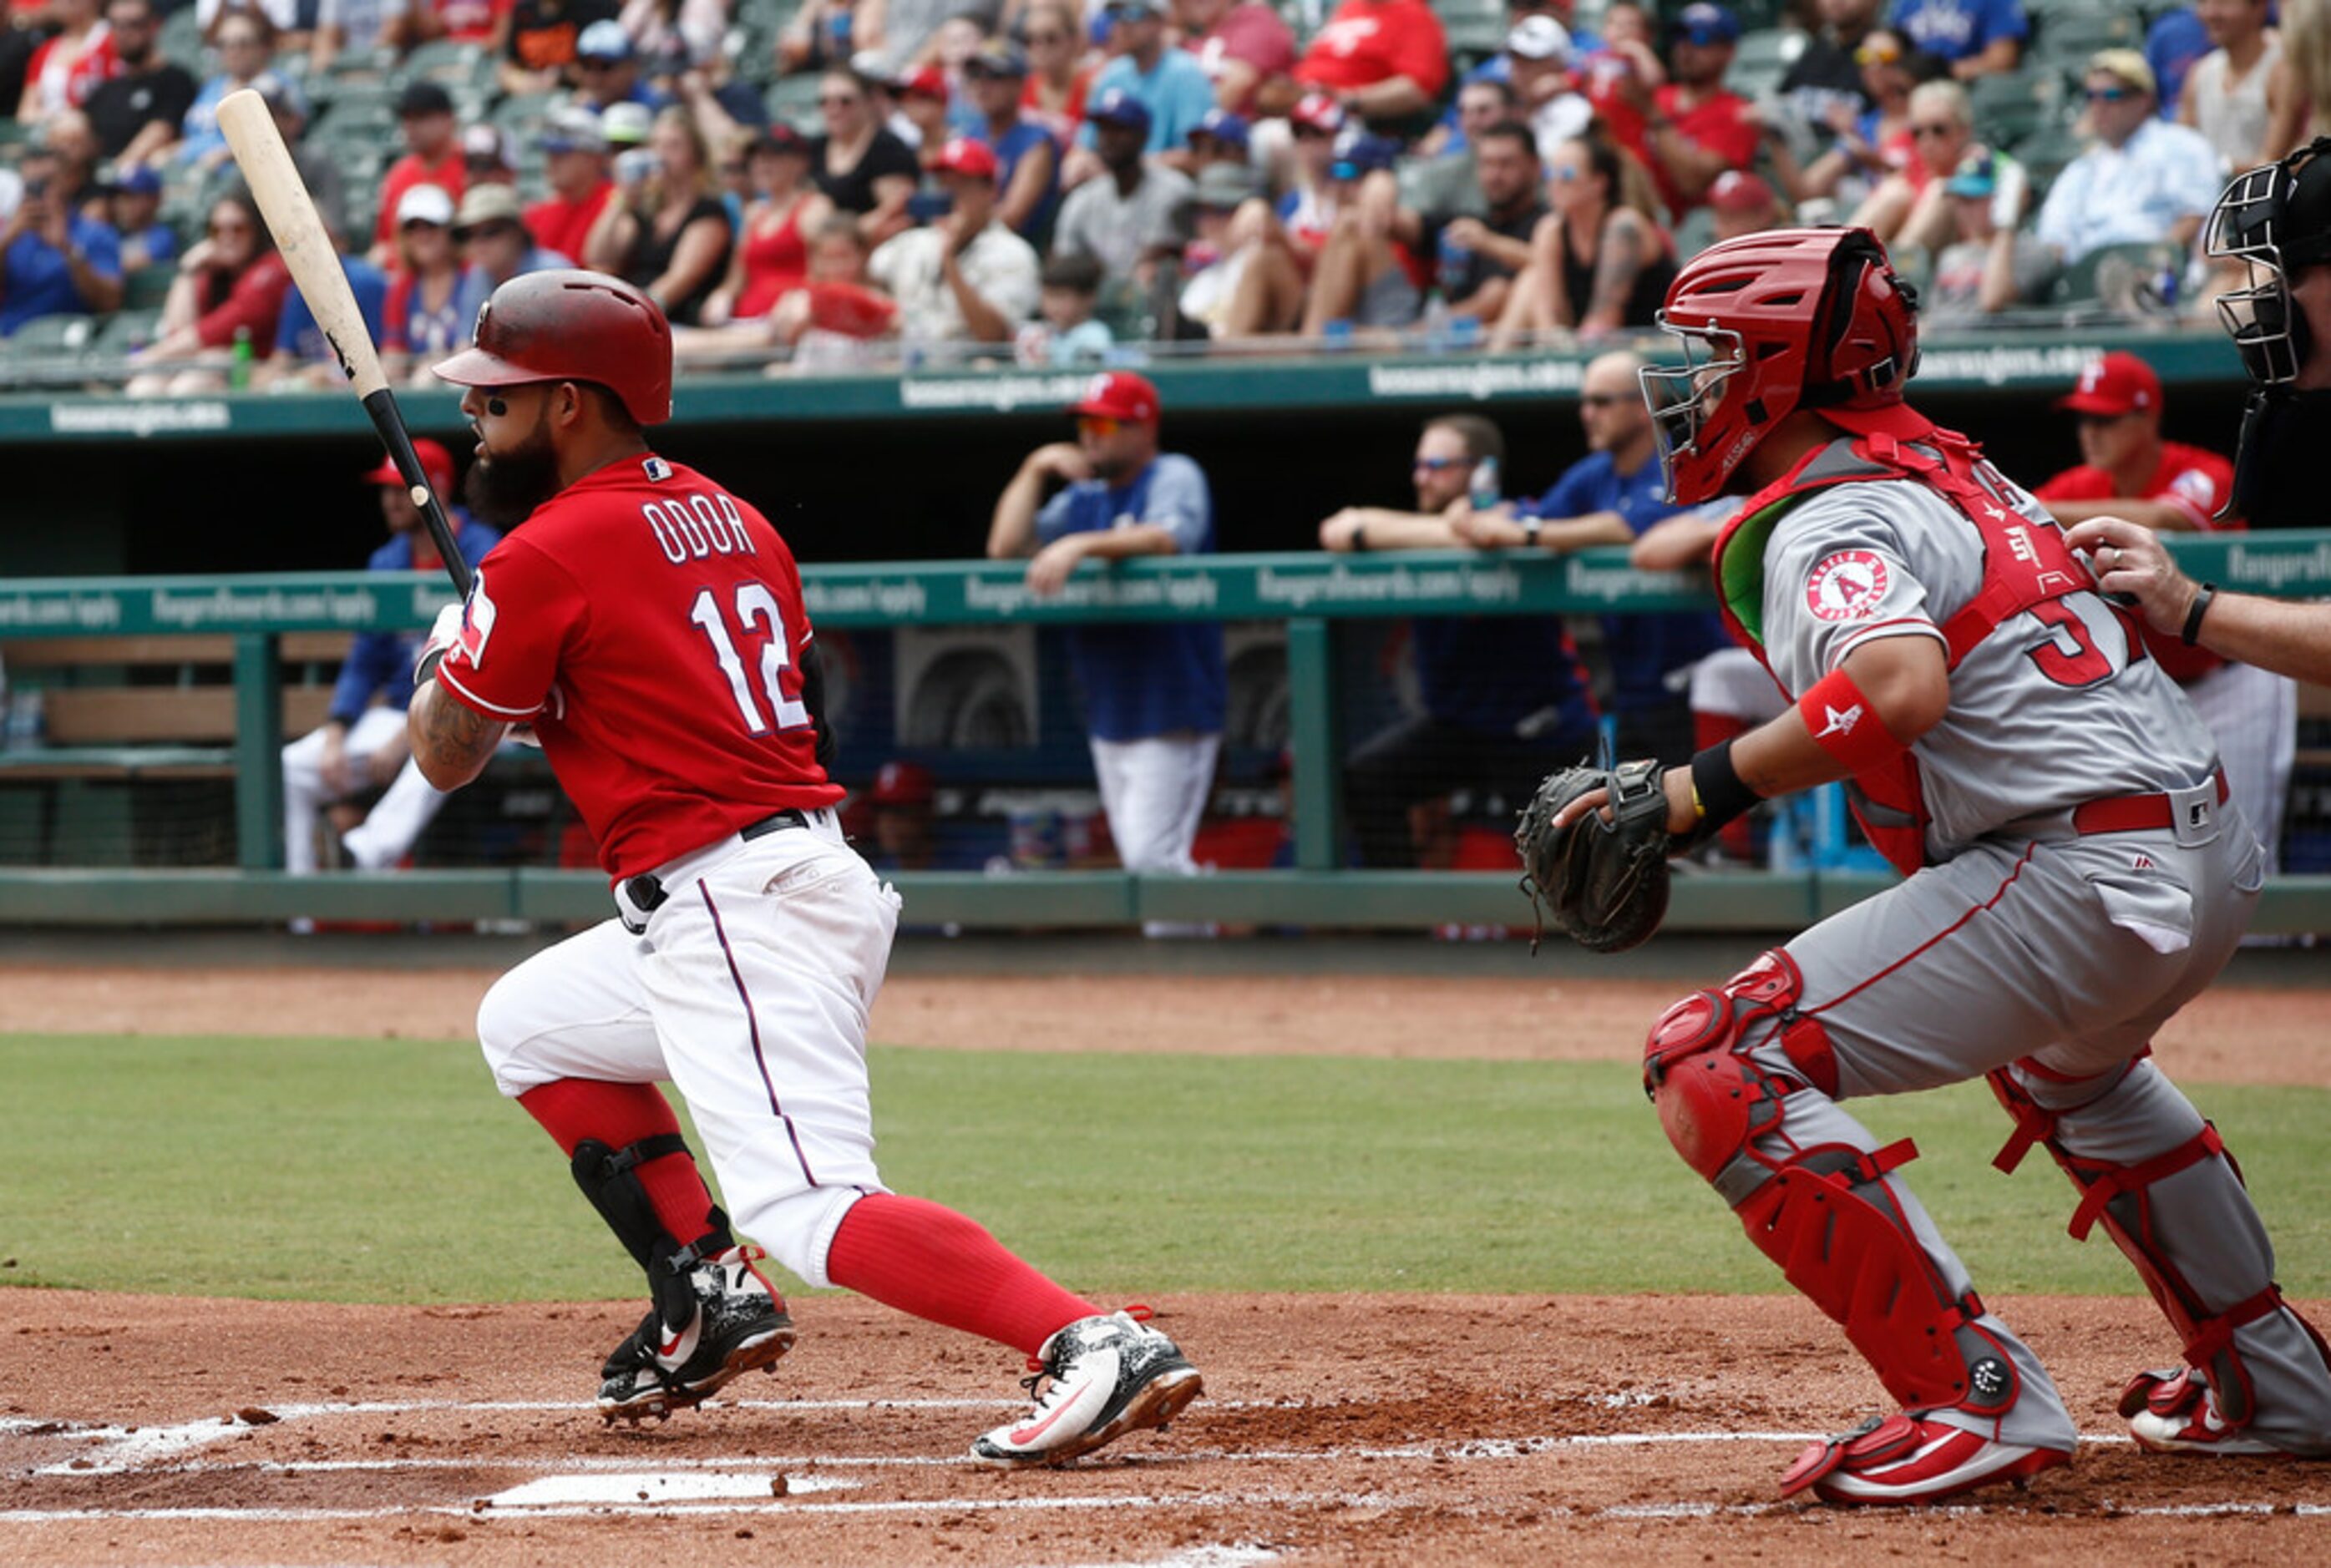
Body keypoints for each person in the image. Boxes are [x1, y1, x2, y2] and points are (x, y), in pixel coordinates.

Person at [1557, 224, 2331, 1503]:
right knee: (2070, 1072)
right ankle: (2274, 1379)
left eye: (1707, 358)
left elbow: (1895, 685)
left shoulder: (1829, 511)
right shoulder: (1958, 469)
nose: (1686, 386)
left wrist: (1696, 790)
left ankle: (1970, 1402)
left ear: (1771, 367)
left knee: (1711, 1054)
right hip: (2194, 850)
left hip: (2077, 866)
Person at [408, 269, 1202, 1459]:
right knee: (530, 1023)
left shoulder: (542, 550)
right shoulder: (735, 516)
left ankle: (1089, 1338)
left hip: (732, 898)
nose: (477, 421)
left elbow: (444, 754)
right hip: (770, 878)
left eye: (497, 400)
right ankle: (711, 1289)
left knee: (808, 1202)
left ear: (570, 402)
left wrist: (447, 642)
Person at [2035, 352, 2295, 870]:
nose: (2091, 432)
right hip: (2141, 696)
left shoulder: (2202, 470)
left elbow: (2166, 519)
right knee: (2147, 860)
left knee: (2244, 854)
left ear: (2147, 418)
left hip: (2226, 684)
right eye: (2085, 418)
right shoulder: (2078, 487)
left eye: (2106, 419)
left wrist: (2037, 508)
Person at [986, 371, 1228, 907]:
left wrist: (1079, 547)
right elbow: (1005, 546)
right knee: (1148, 865)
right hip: (1111, 708)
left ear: (1143, 429)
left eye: (1105, 423)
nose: (1090, 435)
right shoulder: (1084, 499)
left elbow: (1169, 537)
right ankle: (1192, 967)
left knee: (1151, 862)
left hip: (1174, 705)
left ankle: (1212, 958)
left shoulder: (1173, 473)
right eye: (1084, 424)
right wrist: (1034, 469)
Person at [1316, 414, 1599, 867]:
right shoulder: (1418, 531)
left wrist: (1479, 531)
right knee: (1369, 778)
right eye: (1419, 465)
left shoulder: (1523, 518)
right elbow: (1338, 528)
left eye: (1438, 465)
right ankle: (1402, 920)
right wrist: (1449, 531)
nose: (1421, 477)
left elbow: (1503, 532)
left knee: (1566, 860)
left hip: (1536, 730)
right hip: (1457, 728)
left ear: (1481, 471)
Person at [1449, 352, 1727, 761]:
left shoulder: (1680, 458)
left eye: (1601, 402)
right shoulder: (1594, 473)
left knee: (1704, 812)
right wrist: (1476, 516)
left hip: (1696, 681)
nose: (1587, 414)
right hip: (1631, 685)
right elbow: (1534, 517)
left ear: (1641, 405)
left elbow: (1635, 526)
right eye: (1585, 403)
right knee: (1641, 816)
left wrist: (1529, 533)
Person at [283, 440, 501, 882]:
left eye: (400, 490)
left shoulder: (481, 550)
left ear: (435, 490)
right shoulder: (386, 561)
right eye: (386, 491)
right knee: (293, 767)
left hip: (483, 715)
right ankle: (299, 911)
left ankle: (362, 853)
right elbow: (365, 660)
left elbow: (485, 660)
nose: (390, 501)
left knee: (439, 747)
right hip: (402, 716)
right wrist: (336, 732)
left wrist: (407, 738)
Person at [2034, 51, 2225, 268]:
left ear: (2144, 99)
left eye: (2111, 95)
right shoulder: (2081, 168)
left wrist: (2150, 265)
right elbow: (2054, 240)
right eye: (2091, 96)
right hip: (2085, 281)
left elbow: (2195, 217)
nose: (2099, 105)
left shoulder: (2182, 146)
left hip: (2157, 275)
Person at [1490, 129, 1673, 347]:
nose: (1554, 183)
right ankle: (1491, 367)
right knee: (1530, 279)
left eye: (1566, 174)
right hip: (1591, 345)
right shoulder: (1551, 230)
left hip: (1653, 349)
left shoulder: (1624, 226)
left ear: (1599, 183)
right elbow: (1550, 321)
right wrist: (1554, 342)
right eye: (1550, 174)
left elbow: (1604, 321)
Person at [868, 134, 1039, 347]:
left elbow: (992, 336)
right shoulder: (912, 241)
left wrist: (949, 260)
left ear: (990, 190)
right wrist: (870, 237)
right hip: (905, 366)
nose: (950, 196)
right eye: (944, 185)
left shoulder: (1013, 253)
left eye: (962, 185)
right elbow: (859, 280)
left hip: (968, 373)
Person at [124, 190, 290, 394]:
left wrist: (150, 357)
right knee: (145, 386)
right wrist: (187, 271)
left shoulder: (272, 270)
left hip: (266, 373)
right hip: (217, 366)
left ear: (256, 230)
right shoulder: (212, 272)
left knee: (195, 379)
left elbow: (221, 327)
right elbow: (177, 331)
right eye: (216, 230)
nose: (227, 237)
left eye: (238, 229)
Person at [1605, 2, 1757, 219]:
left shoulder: (1737, 113)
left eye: (1700, 39)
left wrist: (1652, 113)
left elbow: (1692, 184)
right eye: (1680, 37)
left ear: (1728, 51)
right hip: (1640, 216)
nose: (1685, 48)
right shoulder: (1657, 94)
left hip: (1700, 233)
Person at [585, 104, 733, 326]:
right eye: (657, 145)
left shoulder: (708, 211)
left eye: (674, 146)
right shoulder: (646, 209)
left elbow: (680, 279)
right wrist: (621, 199)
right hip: (638, 312)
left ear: (696, 155)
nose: (662, 154)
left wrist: (628, 317)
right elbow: (598, 257)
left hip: (675, 321)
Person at [1051, 89, 1193, 292]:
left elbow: (1162, 258)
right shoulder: (1083, 198)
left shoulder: (1174, 190)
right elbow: (1063, 265)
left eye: (1119, 130)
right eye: (1103, 130)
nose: (1108, 139)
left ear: (1143, 136)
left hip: (1155, 305)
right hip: (1095, 305)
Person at [701, 121, 829, 326]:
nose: (762, 165)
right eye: (757, 158)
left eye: (773, 157)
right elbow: (736, 279)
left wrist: (800, 301)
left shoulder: (815, 208)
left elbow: (824, 274)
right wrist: (722, 295)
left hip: (788, 321)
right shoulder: (754, 214)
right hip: (747, 320)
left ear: (800, 163)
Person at [0, 138, 123, 336]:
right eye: (31, 185)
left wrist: (68, 249)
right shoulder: (11, 236)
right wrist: (6, 242)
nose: (39, 192)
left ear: (68, 181)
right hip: (10, 341)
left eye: (46, 183)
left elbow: (109, 302)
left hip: (70, 342)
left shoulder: (96, 233)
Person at [254, 213, 389, 390]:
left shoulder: (366, 283)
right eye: (302, 244)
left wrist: (326, 374)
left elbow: (388, 362)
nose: (311, 252)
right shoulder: (298, 292)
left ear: (340, 244)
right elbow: (281, 360)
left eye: (318, 241)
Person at [1920, 144, 2054, 319]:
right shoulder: (1951, 255)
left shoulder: (2032, 252)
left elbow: (1992, 301)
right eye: (1960, 200)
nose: (1963, 210)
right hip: (1942, 342)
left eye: (1973, 199)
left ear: (2002, 199)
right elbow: (1931, 320)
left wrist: (2007, 222)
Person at [1080, 0, 1215, 164]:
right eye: (1116, 15)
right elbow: (1084, 146)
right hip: (1114, 180)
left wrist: (1130, 168)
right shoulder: (1112, 74)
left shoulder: (1186, 74)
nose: (1122, 24)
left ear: (1159, 22)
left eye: (1133, 13)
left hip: (1169, 182)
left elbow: (1195, 155)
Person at [1285, 0, 1450, 126]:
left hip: (1352, 123)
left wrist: (1348, 99)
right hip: (1298, 104)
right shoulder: (1349, 7)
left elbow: (1417, 89)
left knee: (1271, 136)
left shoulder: (1415, 15)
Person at [811, 66, 920, 246]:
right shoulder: (814, 148)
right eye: (824, 102)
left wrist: (842, 238)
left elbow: (895, 211)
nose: (834, 109)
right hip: (826, 251)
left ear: (869, 102)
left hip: (879, 249)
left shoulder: (887, 148)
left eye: (845, 101)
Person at [962, 38, 1058, 241]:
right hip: (970, 242)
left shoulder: (1037, 141)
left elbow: (1011, 218)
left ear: (1019, 83)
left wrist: (959, 225)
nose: (982, 85)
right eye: (975, 75)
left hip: (1018, 252)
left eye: (994, 76)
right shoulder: (969, 136)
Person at [449, 183, 573, 336]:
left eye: (490, 232)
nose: (478, 243)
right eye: (468, 235)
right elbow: (465, 343)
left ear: (517, 233)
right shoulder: (479, 275)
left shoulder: (554, 273)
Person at [84, 0, 194, 166]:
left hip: (144, 179)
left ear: (153, 27)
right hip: (98, 178)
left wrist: (116, 172)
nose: (123, 33)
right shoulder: (107, 88)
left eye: (134, 25)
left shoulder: (174, 80)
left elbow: (161, 130)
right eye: (116, 25)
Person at [372, 79, 468, 271]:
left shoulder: (471, 167)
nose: (411, 126)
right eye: (407, 118)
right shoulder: (398, 175)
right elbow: (383, 244)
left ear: (449, 120)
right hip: (407, 280)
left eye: (421, 117)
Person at [380, 182, 464, 384]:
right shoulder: (401, 288)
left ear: (451, 230)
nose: (422, 235)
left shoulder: (473, 278)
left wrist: (436, 368)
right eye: (412, 227)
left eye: (431, 225)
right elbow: (393, 350)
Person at [2180, 0, 2280, 170]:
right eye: (2203, 2)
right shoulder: (2199, 73)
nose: (2210, 13)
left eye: (2223, 2)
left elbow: (2276, 163)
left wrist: (2219, 170)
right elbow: (2182, 152)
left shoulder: (2285, 65)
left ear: (2259, 7)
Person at [174, 12, 273, 171]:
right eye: (224, 44)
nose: (234, 51)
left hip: (235, 175)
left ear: (262, 47)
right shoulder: (212, 87)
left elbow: (277, 142)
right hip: (191, 170)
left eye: (243, 43)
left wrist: (228, 154)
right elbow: (194, 135)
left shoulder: (272, 86)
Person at [524, 106, 619, 265]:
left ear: (594, 158)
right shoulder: (538, 214)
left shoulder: (614, 203)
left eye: (562, 153)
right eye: (549, 153)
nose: (552, 161)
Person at [1177, 0, 1293, 118]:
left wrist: (1190, 123)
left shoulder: (1255, 19)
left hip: (1239, 129)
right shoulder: (1187, 41)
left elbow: (1241, 81)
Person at [17, 0, 117, 126]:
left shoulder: (113, 39)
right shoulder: (45, 50)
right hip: (49, 133)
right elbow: (25, 113)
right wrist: (57, 118)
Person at [501, 0, 620, 97]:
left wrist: (564, 75)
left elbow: (610, 71)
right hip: (529, 95)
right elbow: (508, 67)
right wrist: (527, 82)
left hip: (579, 95)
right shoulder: (524, 11)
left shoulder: (596, 8)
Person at [1889, 0, 2026, 82]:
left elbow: (2002, 61)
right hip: (1910, 91)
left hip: (1966, 90)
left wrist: (1945, 72)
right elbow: (1892, 53)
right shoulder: (1907, 3)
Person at [1020, 250, 1116, 362]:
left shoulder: (1094, 336)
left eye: (1060, 296)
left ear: (1088, 298)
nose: (1052, 305)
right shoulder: (1044, 333)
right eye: (1047, 295)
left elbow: (1088, 375)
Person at [105, 162, 175, 275]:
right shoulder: (110, 231)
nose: (122, 204)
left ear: (154, 199)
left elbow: (136, 264)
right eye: (119, 197)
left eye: (131, 197)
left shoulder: (161, 236)